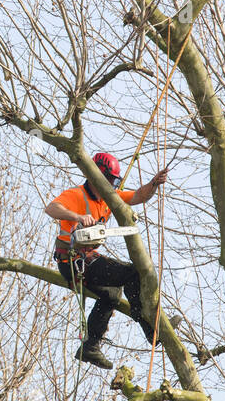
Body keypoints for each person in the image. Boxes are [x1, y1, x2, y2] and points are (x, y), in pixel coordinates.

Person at [44, 151, 168, 368]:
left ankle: (90, 346)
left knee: (111, 295)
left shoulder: (111, 197)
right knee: (131, 273)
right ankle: (149, 326)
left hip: (88, 259)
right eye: (109, 179)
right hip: (73, 261)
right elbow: (51, 208)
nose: (112, 183)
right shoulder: (76, 195)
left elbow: (139, 196)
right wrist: (78, 217)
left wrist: (154, 184)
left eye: (114, 180)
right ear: (97, 176)